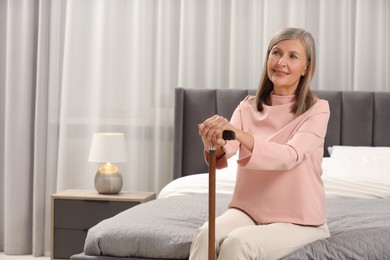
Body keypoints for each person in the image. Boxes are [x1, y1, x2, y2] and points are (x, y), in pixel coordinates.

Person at [190, 27, 331, 260]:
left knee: (237, 243)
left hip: (299, 221)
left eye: (292, 56)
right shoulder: (247, 107)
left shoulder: (317, 110)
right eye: (276, 53)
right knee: (206, 234)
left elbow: (289, 156)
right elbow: (227, 149)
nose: (281, 62)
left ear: (306, 67)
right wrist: (211, 143)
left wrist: (238, 133)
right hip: (248, 210)